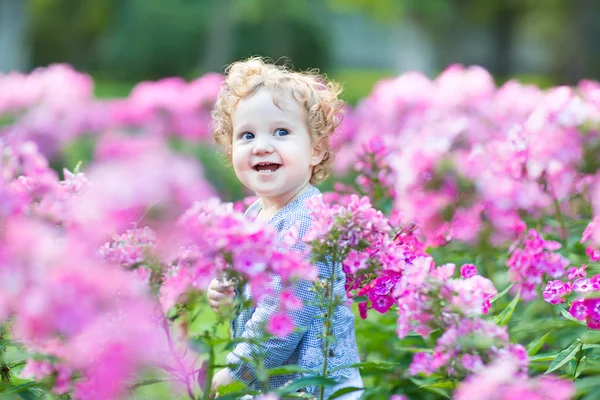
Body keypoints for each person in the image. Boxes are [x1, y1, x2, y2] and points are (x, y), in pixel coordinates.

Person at [207, 57, 363, 399]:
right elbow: (253, 295)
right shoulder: (251, 217)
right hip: (271, 383)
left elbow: (289, 308)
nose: (261, 145)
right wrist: (225, 294)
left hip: (313, 386)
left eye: (281, 132)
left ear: (316, 150)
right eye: (247, 134)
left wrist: (238, 371)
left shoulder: (309, 221)